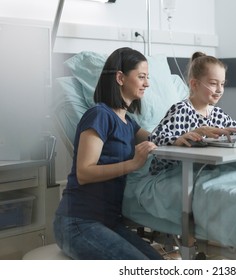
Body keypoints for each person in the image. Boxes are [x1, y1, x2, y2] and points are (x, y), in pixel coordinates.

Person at [53, 47, 163, 260]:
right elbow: (84, 172)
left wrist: (192, 135)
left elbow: (157, 138)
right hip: (77, 222)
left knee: (158, 262)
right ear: (120, 78)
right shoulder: (99, 115)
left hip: (108, 222)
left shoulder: (128, 122)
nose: (147, 84)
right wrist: (133, 163)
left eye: (147, 78)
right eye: (141, 77)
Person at [149, 52, 236, 172]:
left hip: (202, 169)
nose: (219, 90)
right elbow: (154, 138)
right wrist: (177, 140)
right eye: (213, 83)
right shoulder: (181, 110)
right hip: (174, 171)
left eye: (222, 84)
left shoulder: (217, 114)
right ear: (194, 84)